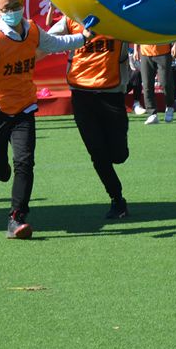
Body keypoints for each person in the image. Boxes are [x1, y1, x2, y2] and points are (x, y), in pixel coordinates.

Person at [0, 0, 88, 239]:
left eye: (17, 5)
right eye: (7, 7)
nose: (14, 10)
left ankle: (16, 218)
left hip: (24, 107)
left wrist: (82, 38)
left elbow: (54, 43)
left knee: (25, 162)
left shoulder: (31, 29)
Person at [48, 15, 130, 219]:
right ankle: (117, 199)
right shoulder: (71, 19)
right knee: (97, 153)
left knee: (119, 155)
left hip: (112, 93)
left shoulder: (122, 16)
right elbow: (48, 40)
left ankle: (116, 190)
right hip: (81, 93)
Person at [137, 41, 175, 124]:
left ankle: (170, 106)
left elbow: (175, 28)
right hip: (145, 52)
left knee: (165, 82)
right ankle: (152, 114)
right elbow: (138, 32)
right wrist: (136, 49)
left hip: (163, 51)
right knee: (147, 84)